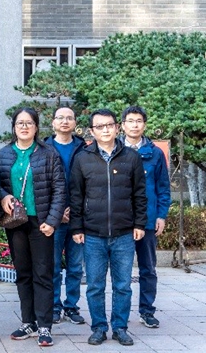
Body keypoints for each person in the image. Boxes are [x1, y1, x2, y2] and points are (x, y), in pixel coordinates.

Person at [70, 108, 147, 347]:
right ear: (91, 131)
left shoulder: (131, 157)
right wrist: (76, 228)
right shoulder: (82, 158)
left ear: (117, 127)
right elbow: (75, 196)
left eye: (109, 125)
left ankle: (120, 327)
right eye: (99, 126)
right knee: (95, 285)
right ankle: (99, 327)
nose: (105, 130)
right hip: (93, 234)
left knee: (123, 285)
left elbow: (140, 194)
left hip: (124, 233)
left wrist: (139, 223)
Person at [0, 107, 66, 347]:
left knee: (43, 273)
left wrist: (53, 221)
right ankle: (29, 322)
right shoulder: (3, 154)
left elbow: (60, 190)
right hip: (16, 222)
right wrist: (3, 196)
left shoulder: (49, 154)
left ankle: (45, 325)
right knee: (23, 273)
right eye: (20, 123)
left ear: (36, 127)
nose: (24, 127)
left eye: (29, 123)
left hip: (41, 222)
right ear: (14, 127)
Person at [121, 105, 171, 328]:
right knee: (121, 271)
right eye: (130, 121)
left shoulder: (155, 153)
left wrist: (161, 215)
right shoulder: (114, 150)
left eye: (139, 121)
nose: (134, 125)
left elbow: (163, 187)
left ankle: (147, 311)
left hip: (148, 220)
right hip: (121, 220)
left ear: (144, 125)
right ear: (122, 125)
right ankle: (120, 314)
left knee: (148, 268)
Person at [44, 107, 86, 325]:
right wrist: (57, 212)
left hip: (78, 216)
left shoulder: (84, 148)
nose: (65, 121)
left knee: (75, 266)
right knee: (52, 266)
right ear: (53, 122)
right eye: (60, 118)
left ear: (75, 123)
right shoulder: (44, 148)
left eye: (69, 118)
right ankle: (53, 306)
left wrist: (76, 210)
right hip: (53, 217)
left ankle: (71, 306)